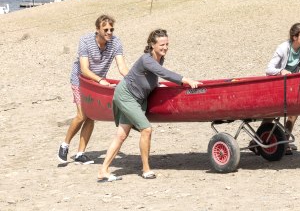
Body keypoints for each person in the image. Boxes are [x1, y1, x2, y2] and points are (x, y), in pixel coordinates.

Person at [97, 29, 202, 182]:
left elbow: (152, 77)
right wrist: (187, 80)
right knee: (146, 129)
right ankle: (146, 169)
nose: (165, 47)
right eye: (161, 45)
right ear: (152, 45)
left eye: (167, 44)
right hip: (126, 95)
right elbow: (163, 73)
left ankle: (103, 170)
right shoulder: (146, 59)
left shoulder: (160, 58)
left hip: (138, 98)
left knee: (121, 135)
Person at [58, 14, 129, 165]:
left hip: (97, 82)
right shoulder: (85, 40)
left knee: (91, 116)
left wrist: (132, 79)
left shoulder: (116, 42)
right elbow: (84, 69)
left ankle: (80, 154)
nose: (109, 32)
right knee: (82, 114)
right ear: (98, 29)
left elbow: (121, 66)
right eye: (106, 29)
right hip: (80, 80)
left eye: (111, 29)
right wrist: (101, 80)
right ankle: (65, 145)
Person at [264, 22, 300, 155]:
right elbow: (268, 69)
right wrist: (281, 71)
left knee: (293, 112)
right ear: (295, 37)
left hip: (291, 84)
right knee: (273, 113)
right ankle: (256, 141)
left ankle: (285, 140)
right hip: (277, 83)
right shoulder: (283, 48)